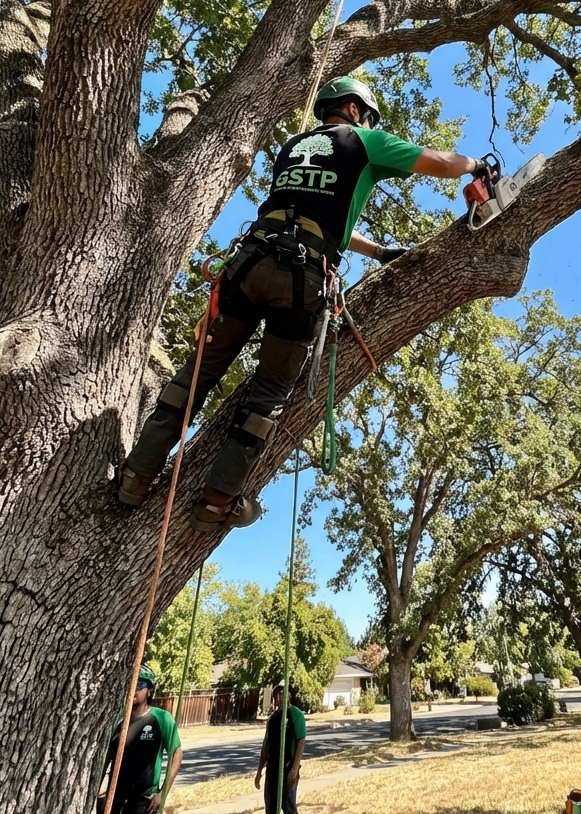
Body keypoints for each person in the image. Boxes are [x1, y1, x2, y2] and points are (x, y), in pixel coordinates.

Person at [118, 76, 487, 531]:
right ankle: (215, 502)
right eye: (367, 116)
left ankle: (136, 476)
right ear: (355, 110)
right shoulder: (363, 141)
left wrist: (379, 252)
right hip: (301, 278)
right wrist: (474, 165)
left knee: (197, 374)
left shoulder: (293, 147)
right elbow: (440, 163)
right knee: (269, 392)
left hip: (249, 264)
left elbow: (313, 216)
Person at [102, 666, 183, 814]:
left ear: (149, 691)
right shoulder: (117, 721)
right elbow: (105, 758)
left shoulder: (162, 718)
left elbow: (176, 754)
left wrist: (162, 793)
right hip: (115, 797)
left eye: (139, 685)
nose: (134, 689)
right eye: (131, 684)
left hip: (145, 800)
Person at [254, 684, 306, 814]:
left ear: (289, 696)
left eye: (283, 694)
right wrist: (259, 771)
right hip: (272, 769)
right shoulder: (272, 719)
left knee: (288, 806)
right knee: (271, 806)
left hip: (288, 767)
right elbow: (266, 745)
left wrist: (294, 769)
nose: (280, 697)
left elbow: (301, 741)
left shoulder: (296, 715)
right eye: (277, 695)